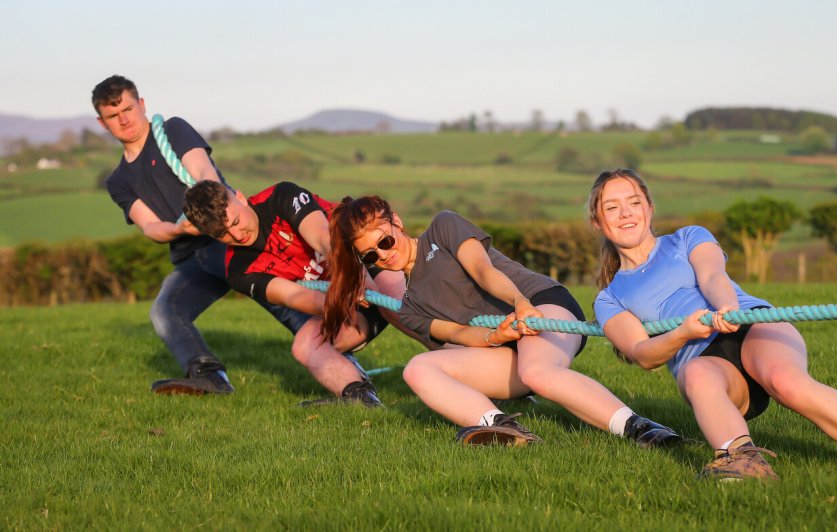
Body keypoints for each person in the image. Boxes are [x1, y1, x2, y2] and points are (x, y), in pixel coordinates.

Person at [587, 168, 837, 480]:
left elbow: (712, 275)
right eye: (612, 207)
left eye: (633, 202)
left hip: (750, 323)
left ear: (649, 208)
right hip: (702, 361)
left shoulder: (688, 237)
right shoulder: (609, 298)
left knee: (784, 380)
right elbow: (643, 353)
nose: (626, 213)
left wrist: (726, 307)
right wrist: (683, 332)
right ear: (598, 222)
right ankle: (742, 461)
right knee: (694, 374)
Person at [320, 196, 682, 447]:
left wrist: (519, 303)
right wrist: (497, 335)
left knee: (537, 372)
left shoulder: (443, 227)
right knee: (417, 369)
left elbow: (483, 270)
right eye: (371, 255)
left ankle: (636, 427)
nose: (385, 254)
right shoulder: (410, 308)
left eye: (385, 240)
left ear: (396, 222)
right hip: (504, 342)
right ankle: (503, 428)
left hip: (541, 306)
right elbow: (459, 333)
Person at [93, 74, 308, 395]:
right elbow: (150, 226)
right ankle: (209, 376)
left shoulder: (173, 130)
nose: (123, 119)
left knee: (275, 294)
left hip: (226, 239)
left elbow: (205, 173)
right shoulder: (118, 181)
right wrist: (180, 228)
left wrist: (207, 215)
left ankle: (334, 354)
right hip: (191, 257)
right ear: (102, 122)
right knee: (165, 311)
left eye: (127, 108)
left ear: (141, 105)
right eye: (113, 115)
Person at [183, 180, 419, 406]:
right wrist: (343, 297)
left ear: (240, 198)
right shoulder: (238, 271)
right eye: (222, 234)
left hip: (371, 261)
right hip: (346, 302)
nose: (236, 235)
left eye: (234, 222)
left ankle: (449, 356)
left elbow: (323, 239)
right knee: (304, 344)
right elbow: (295, 297)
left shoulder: (281, 196)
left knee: (394, 306)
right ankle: (360, 397)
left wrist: (351, 280)